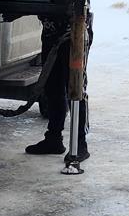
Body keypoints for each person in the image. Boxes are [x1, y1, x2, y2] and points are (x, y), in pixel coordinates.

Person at [25, 13, 90, 160]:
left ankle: (80, 144)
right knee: (52, 87)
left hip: (75, 32)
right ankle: (53, 138)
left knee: (76, 87)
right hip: (51, 32)